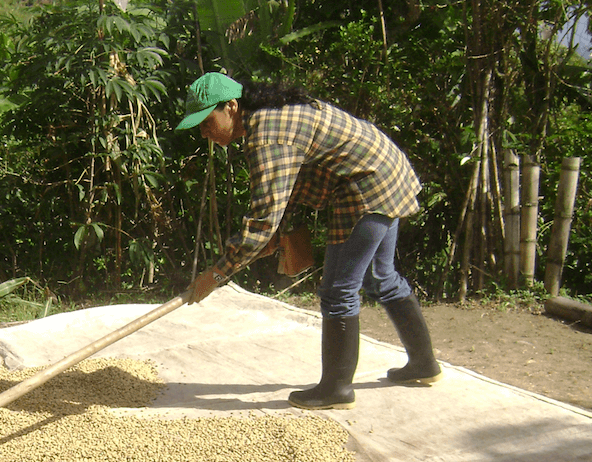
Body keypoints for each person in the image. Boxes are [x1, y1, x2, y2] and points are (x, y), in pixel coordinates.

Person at [177, 72, 442, 410]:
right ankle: (424, 365)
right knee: (381, 278)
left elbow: (262, 220)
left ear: (231, 106)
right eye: (199, 127)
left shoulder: (267, 134)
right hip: (387, 169)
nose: (204, 132)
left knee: (338, 291)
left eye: (207, 121)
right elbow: (285, 189)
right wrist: (277, 233)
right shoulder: (268, 116)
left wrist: (215, 275)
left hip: (366, 186)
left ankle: (337, 389)